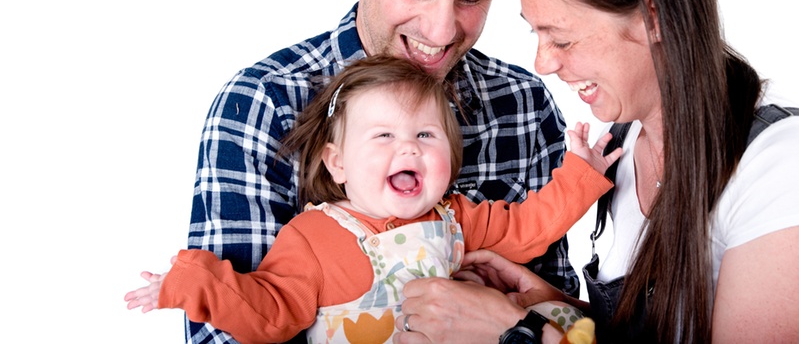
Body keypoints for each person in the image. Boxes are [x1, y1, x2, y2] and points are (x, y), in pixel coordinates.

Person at [393, 0, 799, 343]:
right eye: (535, 35)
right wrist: (550, 305)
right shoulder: (620, 153)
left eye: (562, 38)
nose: (543, 63)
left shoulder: (790, 167)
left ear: (653, 17)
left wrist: (515, 333)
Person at [183, 0, 584, 343]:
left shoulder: (522, 105)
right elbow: (227, 333)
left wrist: (509, 326)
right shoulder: (263, 105)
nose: (441, 32)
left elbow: (577, 325)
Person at [125, 55, 616, 344]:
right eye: (382, 136)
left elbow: (532, 226)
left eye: (426, 135)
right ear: (337, 164)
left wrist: (580, 176)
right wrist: (193, 281)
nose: (408, 147)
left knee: (566, 321)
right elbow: (268, 311)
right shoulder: (314, 239)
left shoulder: (456, 218)